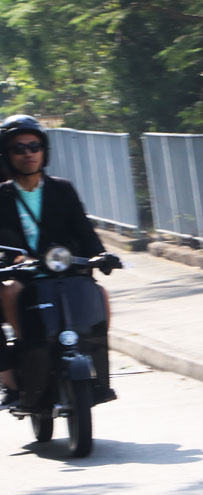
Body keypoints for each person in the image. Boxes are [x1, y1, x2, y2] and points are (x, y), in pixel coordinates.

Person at [0, 114, 109, 407]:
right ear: (6, 155)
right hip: (20, 273)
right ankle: (14, 374)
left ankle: (97, 369)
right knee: (9, 290)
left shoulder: (62, 188)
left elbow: (84, 230)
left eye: (34, 146)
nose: (28, 154)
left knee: (99, 293)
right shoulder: (2, 196)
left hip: (63, 269)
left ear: (44, 150)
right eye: (19, 148)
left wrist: (102, 255)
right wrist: (10, 257)